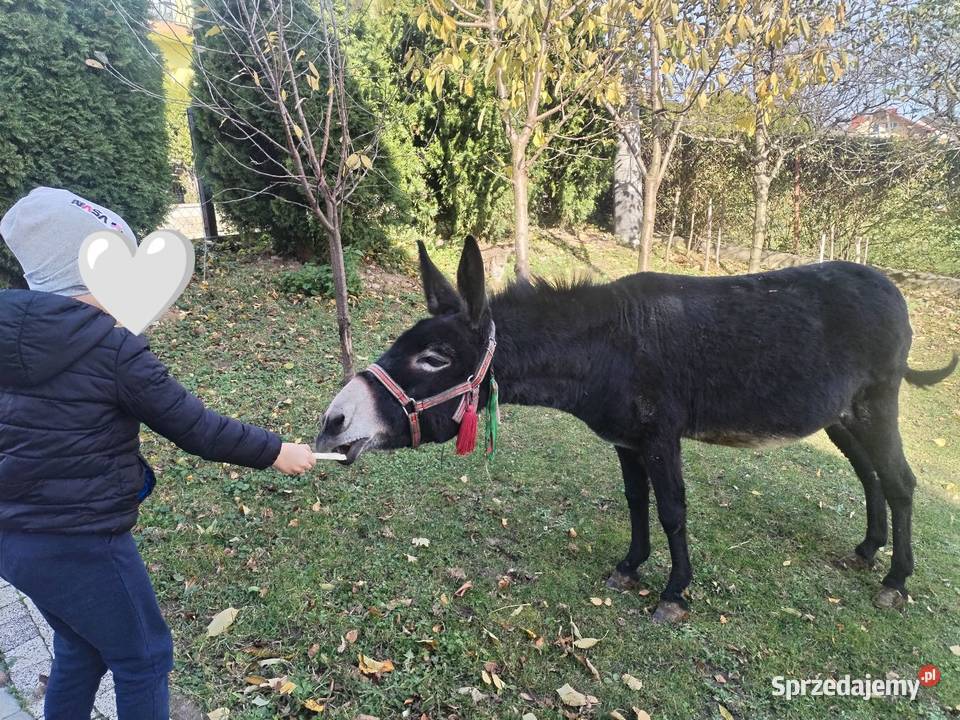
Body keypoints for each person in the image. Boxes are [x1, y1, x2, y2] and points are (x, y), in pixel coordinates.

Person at [0, 187, 316, 719]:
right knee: (143, 658)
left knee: (79, 647)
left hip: (13, 540)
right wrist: (276, 450)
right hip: (82, 543)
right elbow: (196, 428)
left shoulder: (10, 337)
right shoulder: (111, 350)